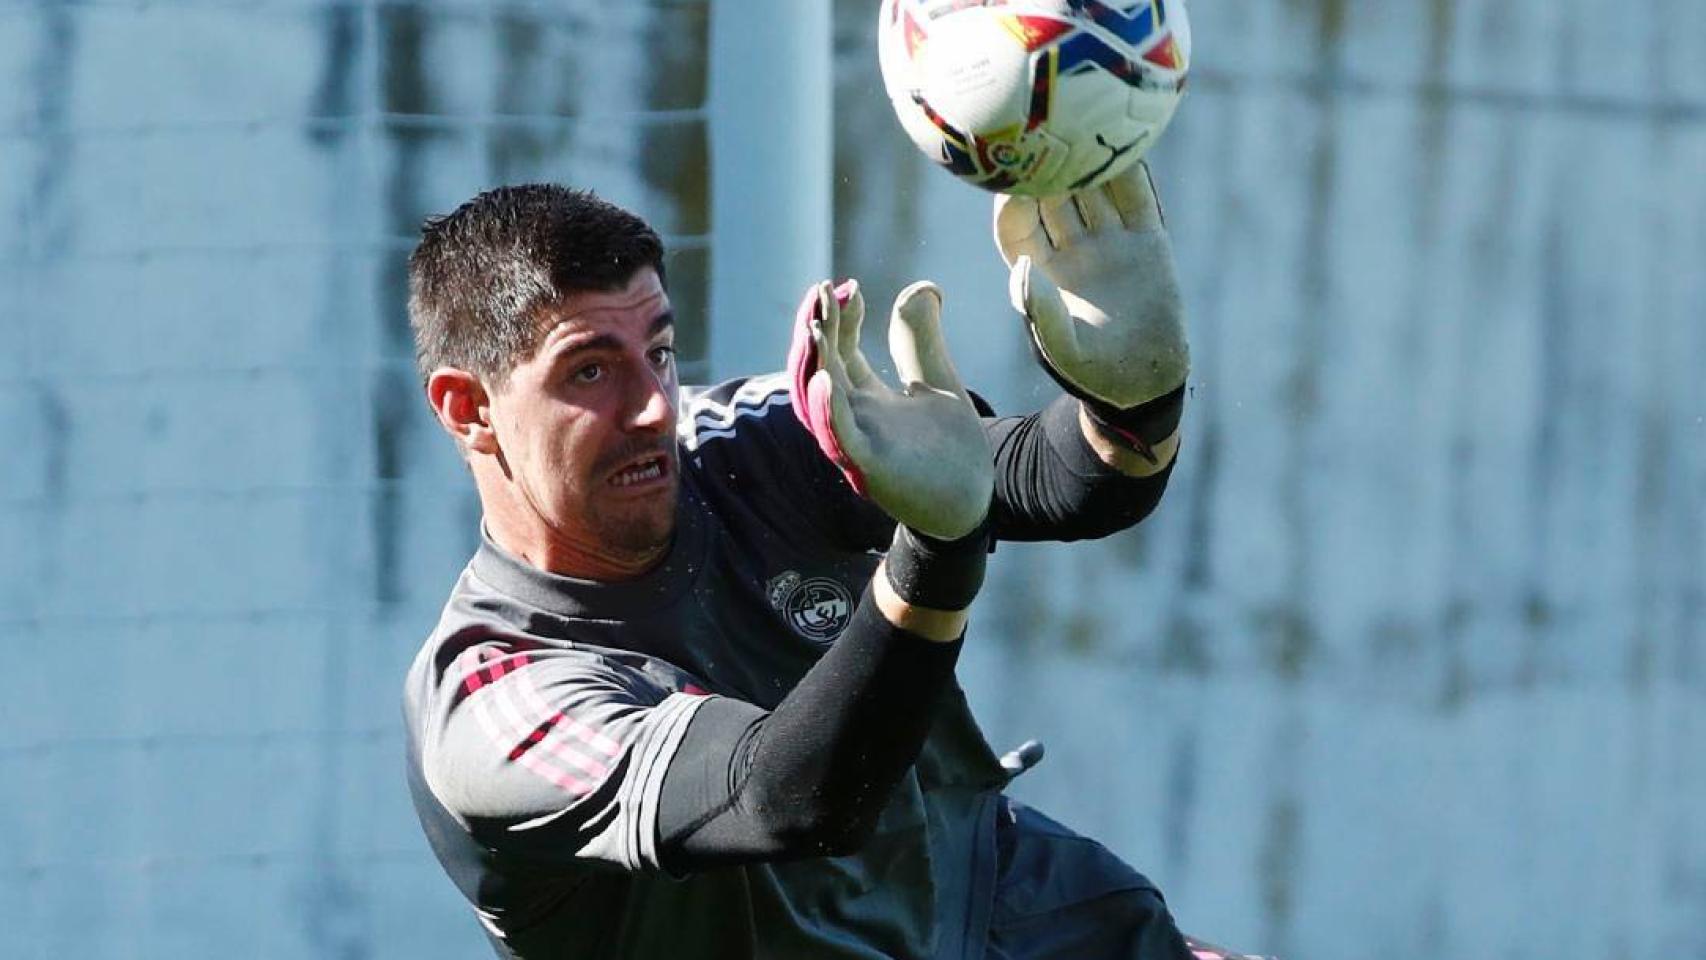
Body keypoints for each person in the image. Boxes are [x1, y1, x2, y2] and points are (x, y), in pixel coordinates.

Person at [402, 164, 1252, 959]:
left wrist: (1132, 403)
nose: (653, 408)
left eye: (658, 351)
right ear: (468, 408)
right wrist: (935, 554)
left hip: (1004, 914)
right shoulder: (495, 700)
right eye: (590, 371)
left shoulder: (748, 440)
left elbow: (1060, 485)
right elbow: (788, 799)